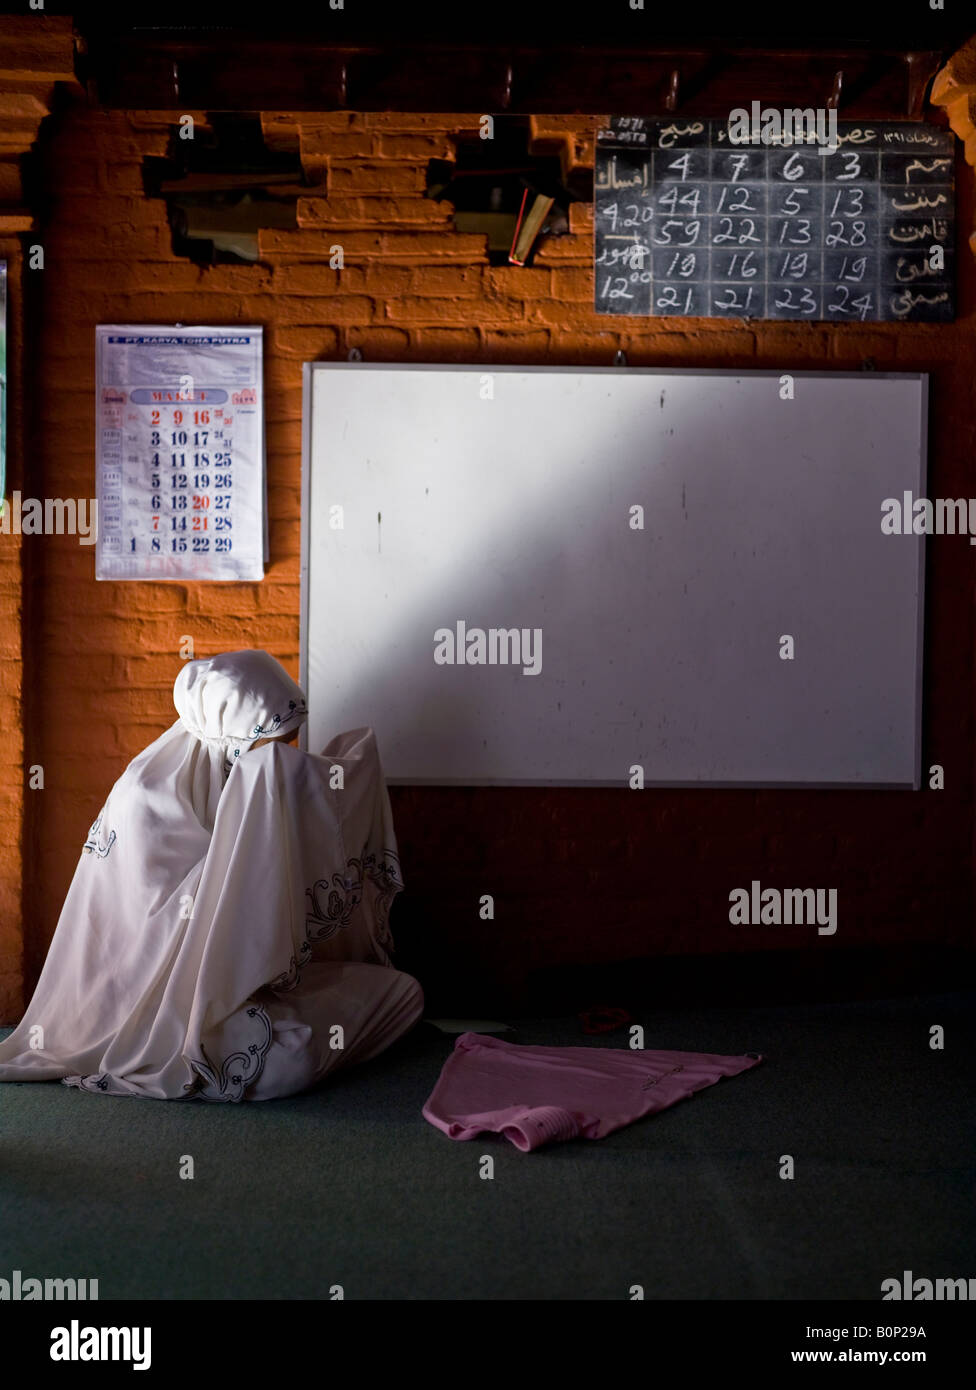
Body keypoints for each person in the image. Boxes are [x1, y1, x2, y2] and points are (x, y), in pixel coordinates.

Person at [0, 649, 424, 1101]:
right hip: (158, 1016)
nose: (282, 761)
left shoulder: (227, 780)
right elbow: (185, 933)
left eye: (290, 747)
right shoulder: (149, 801)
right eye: (274, 749)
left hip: (234, 987)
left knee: (403, 993)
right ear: (232, 740)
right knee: (289, 1058)